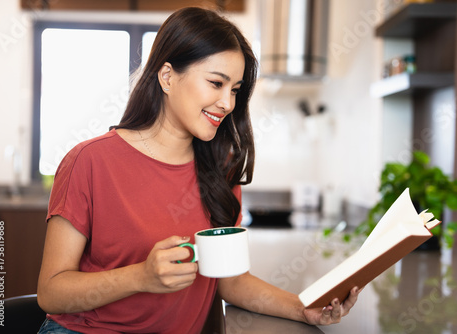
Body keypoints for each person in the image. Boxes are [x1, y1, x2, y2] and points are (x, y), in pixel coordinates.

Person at [37, 7, 361, 334]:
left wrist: (303, 308)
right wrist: (140, 277)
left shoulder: (221, 170)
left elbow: (229, 281)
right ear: (167, 77)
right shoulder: (89, 161)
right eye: (216, 83)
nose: (228, 103)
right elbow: (51, 293)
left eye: (234, 89)